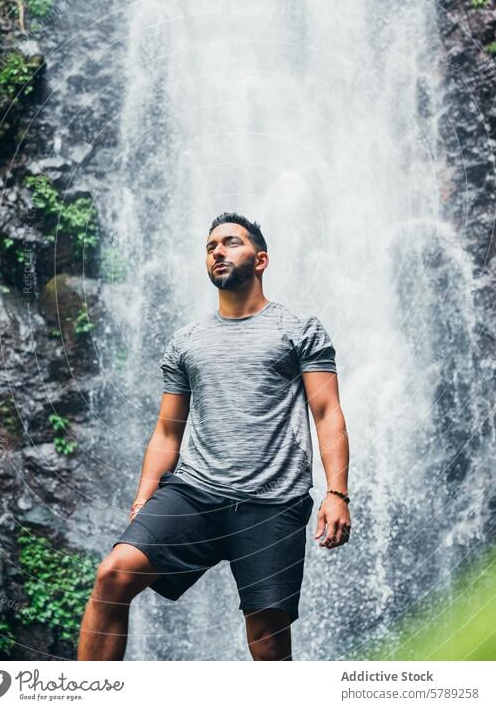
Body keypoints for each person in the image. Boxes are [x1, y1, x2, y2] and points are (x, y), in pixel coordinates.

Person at [77, 212, 351, 661]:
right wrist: (145, 495)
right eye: (210, 248)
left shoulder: (299, 330)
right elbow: (168, 428)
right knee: (113, 575)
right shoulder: (187, 341)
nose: (218, 252)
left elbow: (327, 411)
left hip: (272, 503)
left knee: (268, 642)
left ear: (261, 260)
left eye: (230, 243)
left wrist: (337, 491)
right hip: (195, 492)